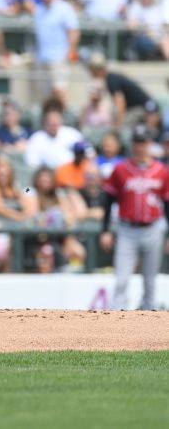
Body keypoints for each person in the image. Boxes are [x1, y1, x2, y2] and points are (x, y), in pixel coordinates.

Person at [100, 124, 169, 310]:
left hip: (153, 228)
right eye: (136, 141)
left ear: (149, 143)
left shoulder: (162, 170)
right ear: (132, 144)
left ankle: (147, 327)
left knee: (150, 281)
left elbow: (167, 204)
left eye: (143, 141)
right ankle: (116, 323)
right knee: (121, 279)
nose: (140, 146)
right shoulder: (120, 169)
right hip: (127, 229)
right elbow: (108, 201)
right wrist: (105, 230)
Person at [33, 0, 79, 104]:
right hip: (42, 58)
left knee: (59, 93)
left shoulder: (64, 8)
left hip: (58, 58)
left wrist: (70, 50)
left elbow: (74, 31)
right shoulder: (38, 10)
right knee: (44, 97)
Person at [87, 52, 155, 127]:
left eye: (92, 70)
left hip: (142, 109)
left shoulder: (111, 80)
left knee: (122, 129)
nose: (91, 74)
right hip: (139, 108)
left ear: (98, 69)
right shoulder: (111, 78)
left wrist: (118, 124)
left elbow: (120, 103)